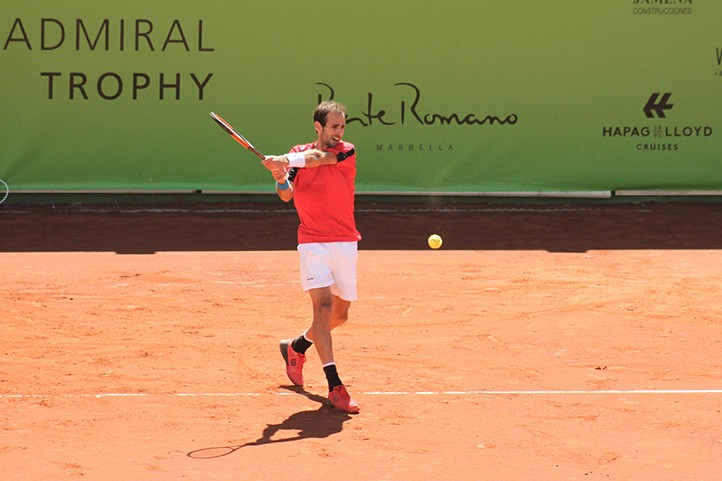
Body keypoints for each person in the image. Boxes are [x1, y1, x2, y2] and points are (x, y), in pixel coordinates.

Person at [261, 100, 361, 414]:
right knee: (324, 308)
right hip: (313, 243)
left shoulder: (346, 151)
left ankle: (297, 346)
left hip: (345, 242)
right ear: (318, 127)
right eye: (333, 127)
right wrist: (280, 176)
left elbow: (318, 159)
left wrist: (285, 159)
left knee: (338, 316)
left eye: (342, 126)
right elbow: (287, 193)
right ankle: (335, 385)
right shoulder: (298, 153)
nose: (339, 132)